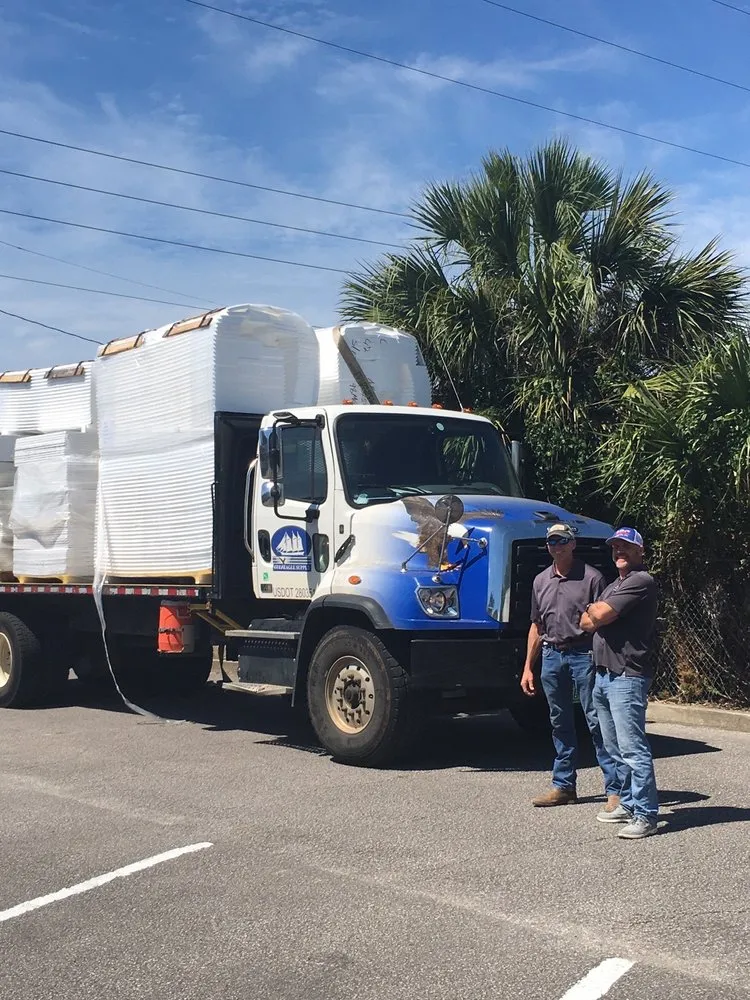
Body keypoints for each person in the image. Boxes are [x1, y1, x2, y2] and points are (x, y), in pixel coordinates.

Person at [521, 523, 621, 809]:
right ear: (547, 546)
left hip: (584, 654)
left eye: (563, 540)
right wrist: (528, 667)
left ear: (573, 544)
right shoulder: (540, 581)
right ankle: (564, 785)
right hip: (552, 656)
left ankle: (614, 789)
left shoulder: (592, 578)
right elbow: (536, 625)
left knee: (596, 719)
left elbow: (604, 621)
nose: (557, 546)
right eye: (552, 541)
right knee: (559, 721)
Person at [580, 527, 659, 840]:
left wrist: (597, 613)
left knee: (632, 748)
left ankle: (646, 814)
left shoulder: (641, 580)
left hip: (627, 675)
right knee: (613, 746)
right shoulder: (615, 583)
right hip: (603, 674)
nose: (619, 552)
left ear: (640, 551)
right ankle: (626, 803)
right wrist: (597, 613)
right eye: (615, 548)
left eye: (626, 547)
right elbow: (588, 621)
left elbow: (597, 615)